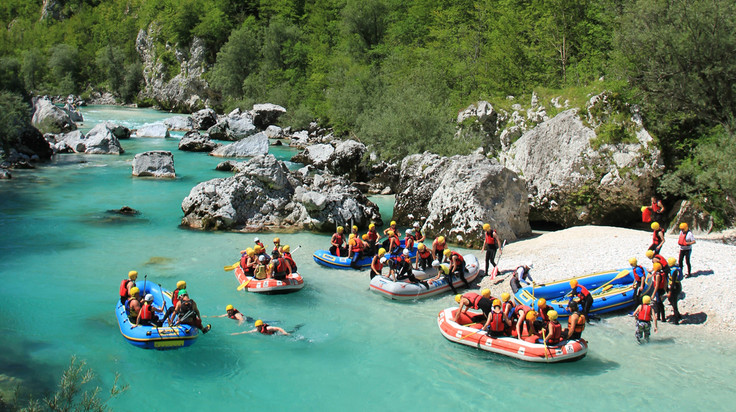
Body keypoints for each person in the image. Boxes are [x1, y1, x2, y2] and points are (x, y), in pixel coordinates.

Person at [667, 258, 683, 324]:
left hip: (675, 287)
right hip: (678, 285)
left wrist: (670, 291)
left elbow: (673, 282)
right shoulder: (676, 268)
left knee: (674, 303)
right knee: (673, 301)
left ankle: (676, 321)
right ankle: (678, 316)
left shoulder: (673, 271)